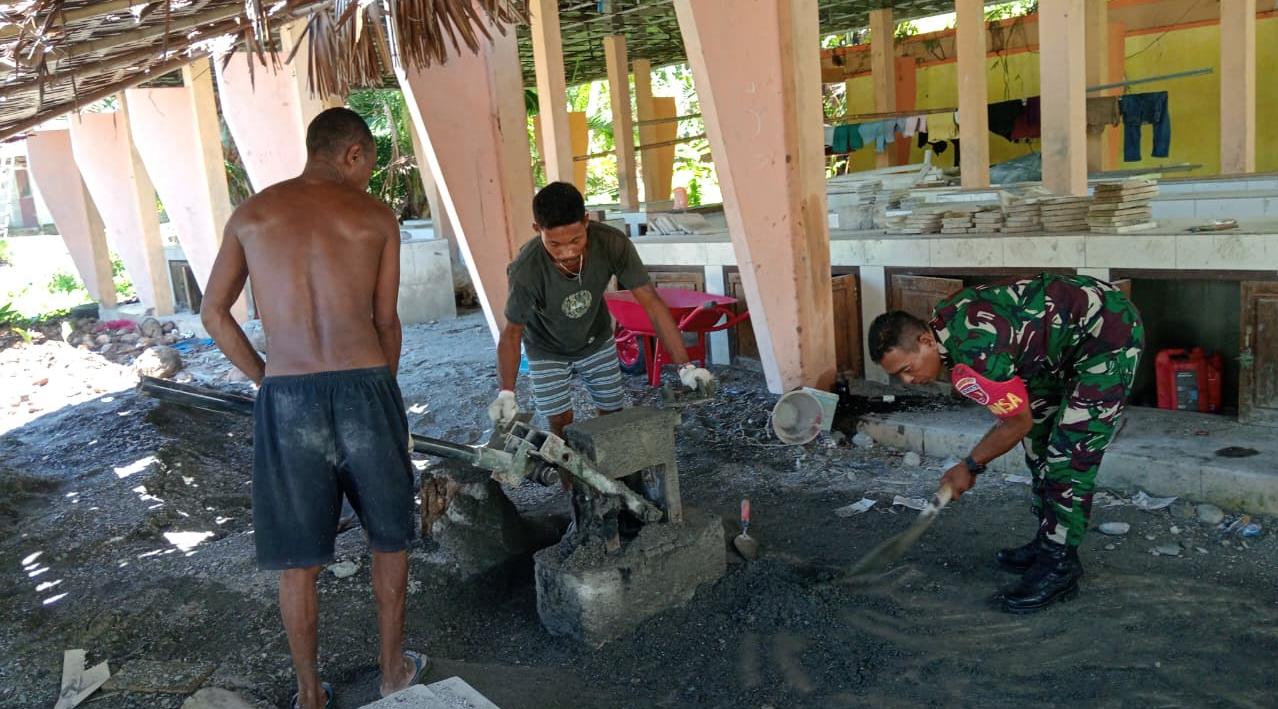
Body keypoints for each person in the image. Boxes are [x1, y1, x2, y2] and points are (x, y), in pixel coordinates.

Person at [201, 108, 426, 709]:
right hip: (365, 386)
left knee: (297, 561)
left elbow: (213, 315)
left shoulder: (252, 216)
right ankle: (392, 671)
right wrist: (383, 394)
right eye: (369, 162)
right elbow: (386, 321)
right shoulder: (374, 217)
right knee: (388, 540)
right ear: (353, 153)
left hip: (289, 394)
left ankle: (309, 694)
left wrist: (266, 378)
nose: (369, 173)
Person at [867, 273, 1143, 613]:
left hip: (1107, 335)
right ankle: (1049, 540)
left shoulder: (975, 352)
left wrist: (969, 466)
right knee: (1038, 445)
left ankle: (1060, 565)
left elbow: (1015, 422)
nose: (907, 380)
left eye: (907, 368)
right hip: (1057, 348)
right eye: (898, 375)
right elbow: (1023, 421)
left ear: (925, 340)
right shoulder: (944, 327)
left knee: (1068, 459)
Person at [488, 181, 714, 437]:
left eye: (576, 240)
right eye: (554, 244)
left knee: (612, 412)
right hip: (545, 346)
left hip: (595, 338)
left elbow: (651, 302)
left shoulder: (611, 244)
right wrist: (506, 393)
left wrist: (685, 367)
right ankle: (567, 463)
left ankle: (610, 459)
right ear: (537, 229)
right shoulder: (526, 268)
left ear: (586, 221)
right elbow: (512, 332)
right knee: (560, 420)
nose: (567, 252)